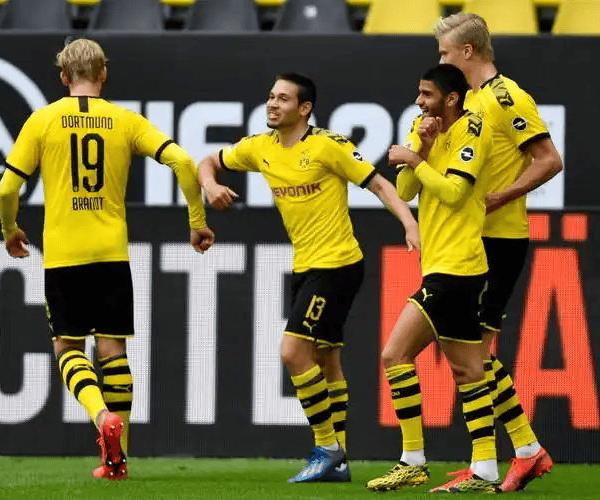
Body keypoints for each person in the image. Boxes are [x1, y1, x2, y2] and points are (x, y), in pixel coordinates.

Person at [0, 38, 215, 480]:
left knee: (67, 348)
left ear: (63, 76)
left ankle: (101, 418)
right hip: (112, 254)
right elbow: (182, 162)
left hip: (65, 255)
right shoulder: (125, 120)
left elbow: (6, 190)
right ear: (103, 74)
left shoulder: (43, 120)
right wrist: (196, 221)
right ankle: (117, 460)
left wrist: (10, 230)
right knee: (113, 351)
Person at [198, 72, 420, 483]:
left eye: (283, 98)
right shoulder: (260, 147)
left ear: (304, 109)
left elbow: (379, 185)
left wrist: (410, 224)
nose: (272, 104)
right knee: (326, 358)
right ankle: (341, 461)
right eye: (271, 96)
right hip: (306, 266)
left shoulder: (328, 146)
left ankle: (327, 448)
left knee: (292, 351)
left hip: (336, 266)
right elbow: (207, 161)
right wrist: (210, 185)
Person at [434, 13, 563, 492]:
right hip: (471, 240)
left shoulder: (507, 97)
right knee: (470, 353)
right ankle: (523, 451)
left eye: (445, 53)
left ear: (468, 51)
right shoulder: (467, 101)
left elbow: (549, 159)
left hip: (499, 241)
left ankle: (495, 461)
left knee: (469, 353)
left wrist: (499, 197)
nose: (440, 61)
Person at [366, 64, 499, 493]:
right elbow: (406, 191)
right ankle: (485, 470)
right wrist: (421, 147)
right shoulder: (422, 126)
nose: (420, 101)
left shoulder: (474, 130)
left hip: (456, 267)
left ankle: (413, 460)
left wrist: (415, 160)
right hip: (445, 265)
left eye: (427, 94)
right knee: (468, 370)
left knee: (394, 355)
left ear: (452, 98)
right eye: (419, 93)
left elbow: (456, 194)